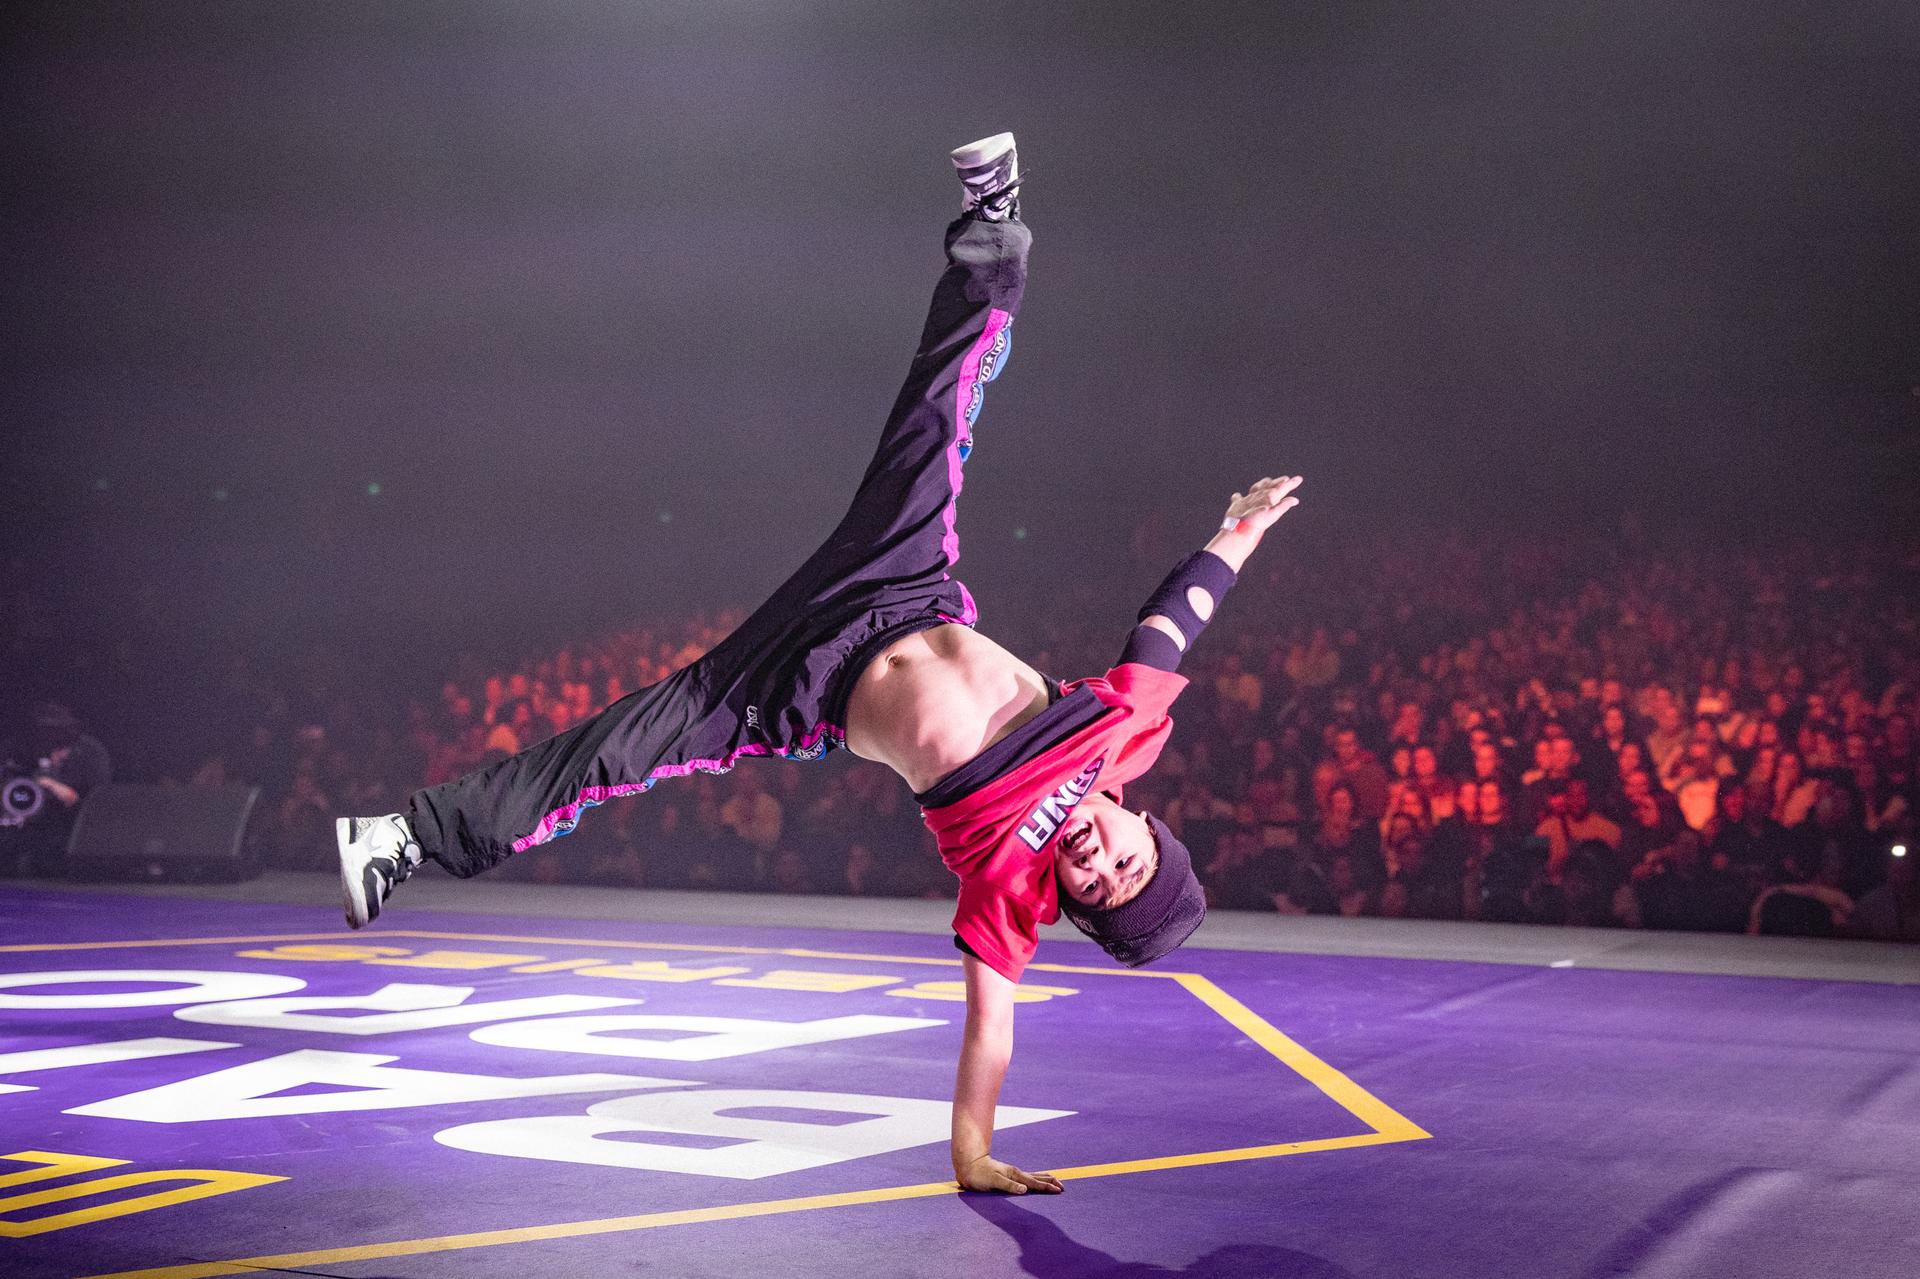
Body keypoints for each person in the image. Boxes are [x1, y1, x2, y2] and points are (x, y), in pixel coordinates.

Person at [333, 134, 1305, 1196]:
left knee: (618, 748)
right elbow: (1172, 625)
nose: (1099, 864)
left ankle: (402, 835)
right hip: (899, 584)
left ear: (1071, 902)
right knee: (941, 408)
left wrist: (972, 1152)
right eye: (1128, 858)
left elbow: (990, 1033)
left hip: (798, 685)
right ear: (1142, 823)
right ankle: (994, 225)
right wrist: (1237, 536)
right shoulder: (1125, 733)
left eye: (1101, 889)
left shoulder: (1010, 893)